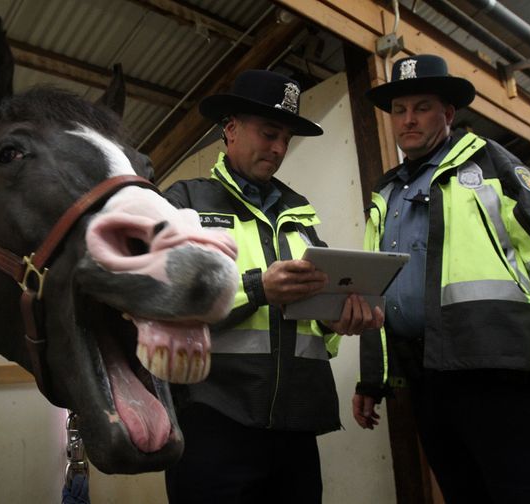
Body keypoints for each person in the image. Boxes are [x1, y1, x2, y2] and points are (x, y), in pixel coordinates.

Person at [353, 53, 530, 503]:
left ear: (448, 113)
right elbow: (376, 287)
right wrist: (372, 378)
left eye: (422, 107)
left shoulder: (492, 164)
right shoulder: (386, 191)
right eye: (399, 110)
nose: (408, 119)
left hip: (500, 374)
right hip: (425, 379)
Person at [163, 69, 384, 504]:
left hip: (296, 424)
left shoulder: (300, 214)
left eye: (285, 139)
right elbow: (166, 299)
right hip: (211, 418)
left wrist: (339, 320)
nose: (279, 149)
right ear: (230, 130)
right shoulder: (184, 203)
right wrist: (257, 288)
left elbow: (312, 319)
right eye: (269, 134)